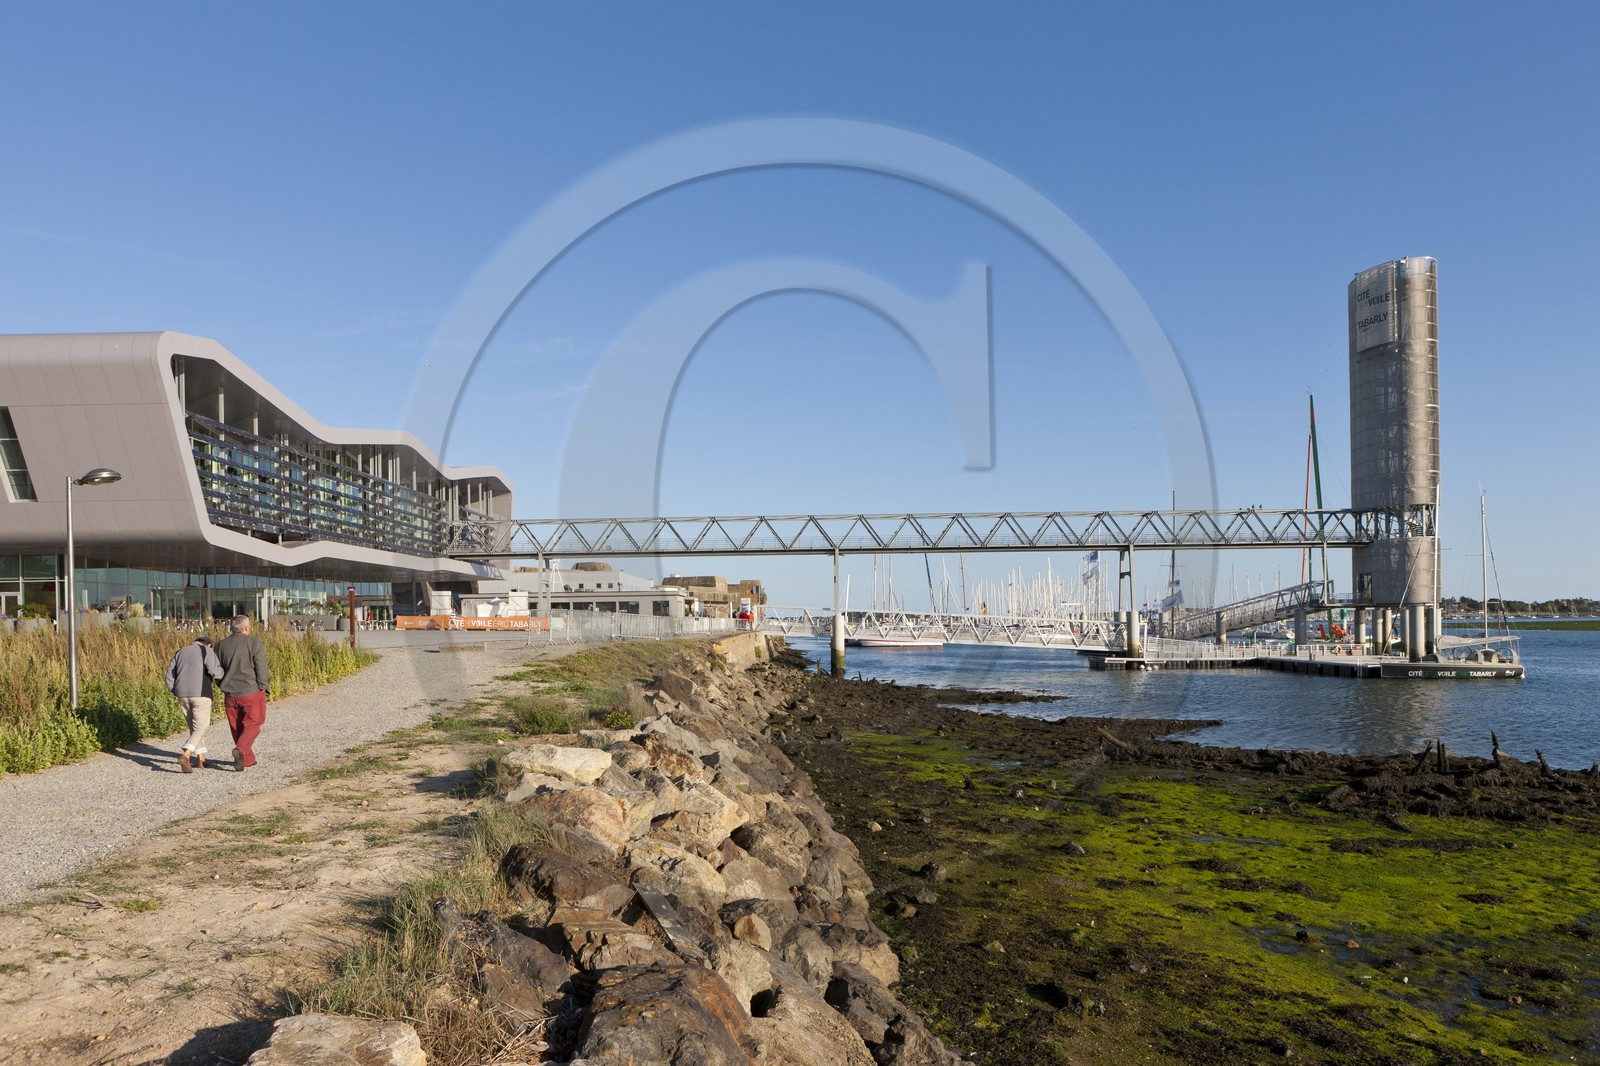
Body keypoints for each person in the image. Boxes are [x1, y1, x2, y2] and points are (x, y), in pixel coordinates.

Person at [215, 615, 270, 772]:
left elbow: (216, 670)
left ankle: (247, 759)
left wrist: (221, 684)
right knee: (253, 724)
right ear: (246, 628)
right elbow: (261, 668)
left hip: (230, 694)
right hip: (251, 690)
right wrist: (263, 686)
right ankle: (240, 751)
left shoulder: (220, 646)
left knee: (237, 727)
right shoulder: (254, 643)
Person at [165, 635, 222, 772]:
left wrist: (176, 690)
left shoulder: (180, 652)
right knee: (202, 726)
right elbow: (216, 672)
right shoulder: (206, 651)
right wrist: (223, 677)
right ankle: (186, 754)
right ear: (208, 644)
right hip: (201, 693)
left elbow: (169, 676)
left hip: (183, 695)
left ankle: (201, 758)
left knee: (194, 728)